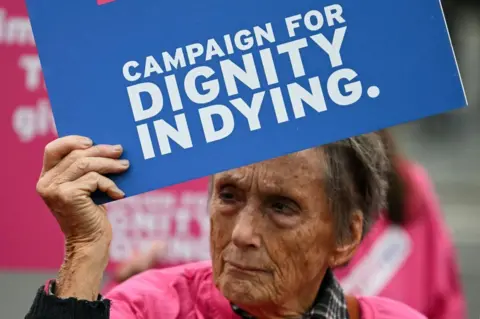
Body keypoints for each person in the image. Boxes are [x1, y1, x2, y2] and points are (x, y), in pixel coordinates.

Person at [25, 133, 426, 319]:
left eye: (281, 207)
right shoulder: (153, 308)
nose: (241, 234)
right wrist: (84, 245)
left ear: (346, 237)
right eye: (229, 196)